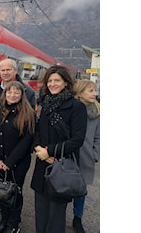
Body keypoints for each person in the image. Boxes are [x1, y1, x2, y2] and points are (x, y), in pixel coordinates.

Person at [31, 65, 87, 233]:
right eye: (49, 81)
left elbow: (77, 140)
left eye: (57, 80)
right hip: (42, 165)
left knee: (56, 215)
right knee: (40, 212)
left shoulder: (77, 107)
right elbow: (37, 131)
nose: (52, 84)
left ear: (65, 83)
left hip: (62, 166)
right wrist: (39, 149)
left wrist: (49, 152)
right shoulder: (46, 104)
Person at [0, 58, 36, 219]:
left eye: (8, 70)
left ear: (15, 71)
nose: (5, 73)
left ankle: (12, 220)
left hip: (15, 148)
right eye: (2, 70)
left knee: (13, 186)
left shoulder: (28, 91)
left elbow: (30, 125)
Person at [71, 80, 100, 233]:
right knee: (64, 187)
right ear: (80, 92)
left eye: (95, 91)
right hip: (70, 157)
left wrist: (95, 155)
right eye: (91, 91)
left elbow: (99, 137)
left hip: (86, 159)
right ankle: (59, 216)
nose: (95, 94)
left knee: (81, 191)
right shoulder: (71, 109)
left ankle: (78, 218)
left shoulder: (97, 113)